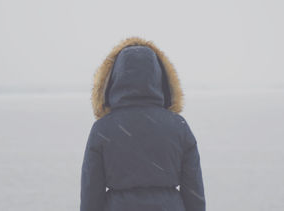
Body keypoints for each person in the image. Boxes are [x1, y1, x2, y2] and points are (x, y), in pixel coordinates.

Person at [80, 36, 206, 211]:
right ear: (160, 78)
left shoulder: (103, 129)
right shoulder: (178, 127)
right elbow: (194, 194)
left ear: (114, 78)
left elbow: (91, 195)